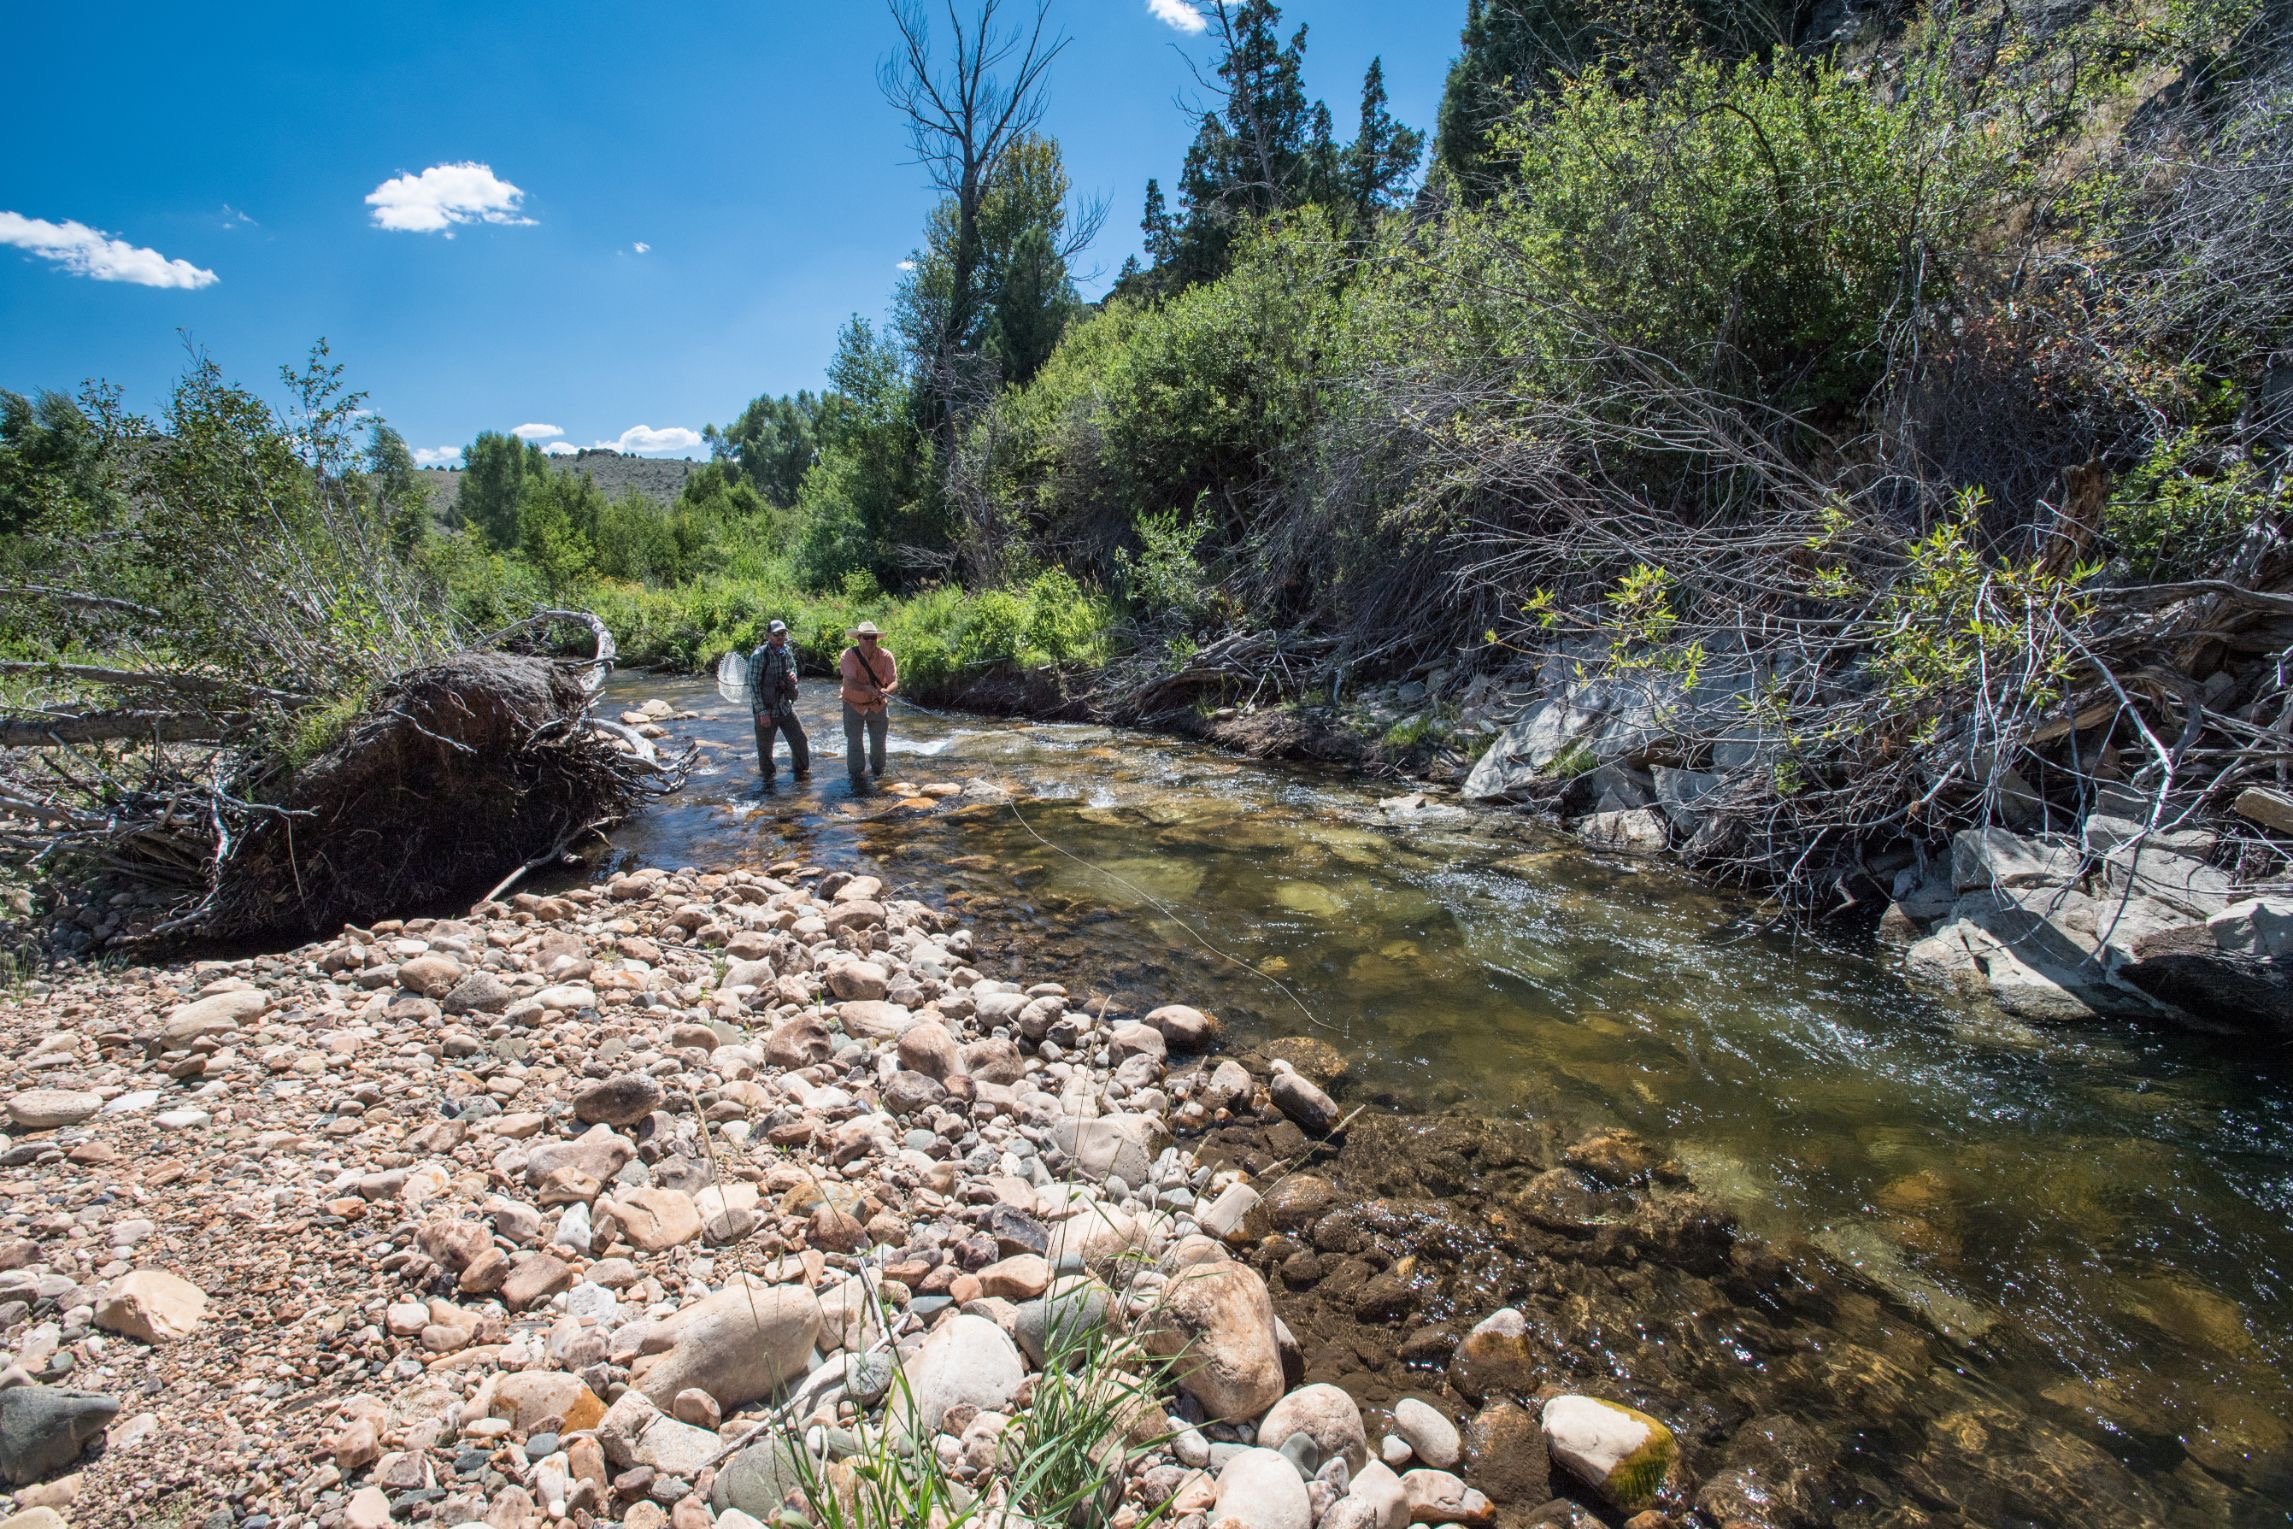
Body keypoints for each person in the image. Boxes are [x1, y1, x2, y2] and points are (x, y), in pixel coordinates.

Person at [746, 619, 808, 784]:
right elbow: (753, 686)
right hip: (766, 710)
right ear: (768, 636)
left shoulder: (786, 650)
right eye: (777, 634)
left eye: (783, 633)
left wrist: (793, 676)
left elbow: (793, 667)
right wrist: (761, 712)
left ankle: (801, 776)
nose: (781, 637)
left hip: (784, 707)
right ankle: (768, 784)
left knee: (800, 740)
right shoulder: (759, 656)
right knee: (765, 751)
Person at [839, 619, 898, 789]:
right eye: (866, 637)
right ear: (859, 639)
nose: (870, 641)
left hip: (877, 704)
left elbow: (894, 682)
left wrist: (887, 690)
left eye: (873, 637)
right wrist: (868, 688)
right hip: (853, 704)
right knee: (854, 742)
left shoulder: (886, 656)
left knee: (879, 743)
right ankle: (857, 781)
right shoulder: (848, 656)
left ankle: (879, 775)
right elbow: (849, 682)